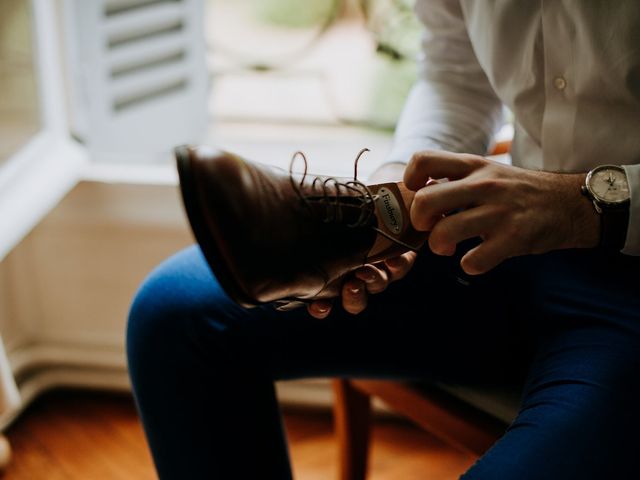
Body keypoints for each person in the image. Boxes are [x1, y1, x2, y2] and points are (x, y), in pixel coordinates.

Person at [126, 1, 640, 478]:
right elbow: (455, 75)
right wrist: (396, 192)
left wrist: (583, 202)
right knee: (175, 315)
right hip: (509, 235)